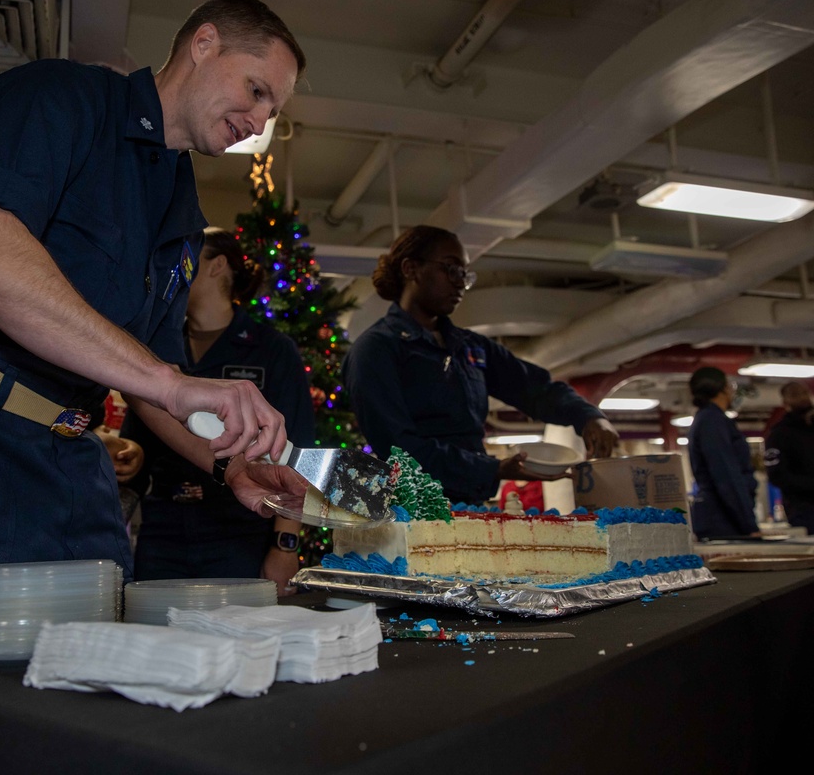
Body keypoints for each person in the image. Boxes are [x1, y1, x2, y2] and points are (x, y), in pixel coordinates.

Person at [0, 0, 309, 641]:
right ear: (204, 44)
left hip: (75, 471)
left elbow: (155, 377)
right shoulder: (59, 99)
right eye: (256, 90)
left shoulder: (178, 208)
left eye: (272, 111)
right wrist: (168, 382)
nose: (258, 122)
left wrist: (228, 463)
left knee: (84, 694)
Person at [341, 225, 618, 505]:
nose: (460, 282)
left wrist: (589, 416)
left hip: (470, 506)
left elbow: (536, 388)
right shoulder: (375, 349)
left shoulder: (471, 347)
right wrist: (491, 469)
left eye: (465, 274)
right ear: (411, 269)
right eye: (451, 269)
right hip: (411, 513)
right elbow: (398, 449)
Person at [122, 229, 315, 594]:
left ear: (217, 266)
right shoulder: (158, 349)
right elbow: (139, 434)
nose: (172, 268)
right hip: (163, 526)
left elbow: (295, 453)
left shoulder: (272, 349)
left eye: (187, 257)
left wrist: (284, 546)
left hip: (238, 527)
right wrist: (129, 454)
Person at [686, 367, 761, 540]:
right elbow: (726, 475)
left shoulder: (708, 419)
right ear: (723, 389)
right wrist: (749, 525)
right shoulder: (712, 422)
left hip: (722, 517)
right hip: (724, 520)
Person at [763, 381, 814, 534]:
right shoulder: (779, 434)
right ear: (785, 402)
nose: (801, 398)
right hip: (803, 509)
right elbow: (777, 476)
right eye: (795, 395)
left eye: (803, 393)